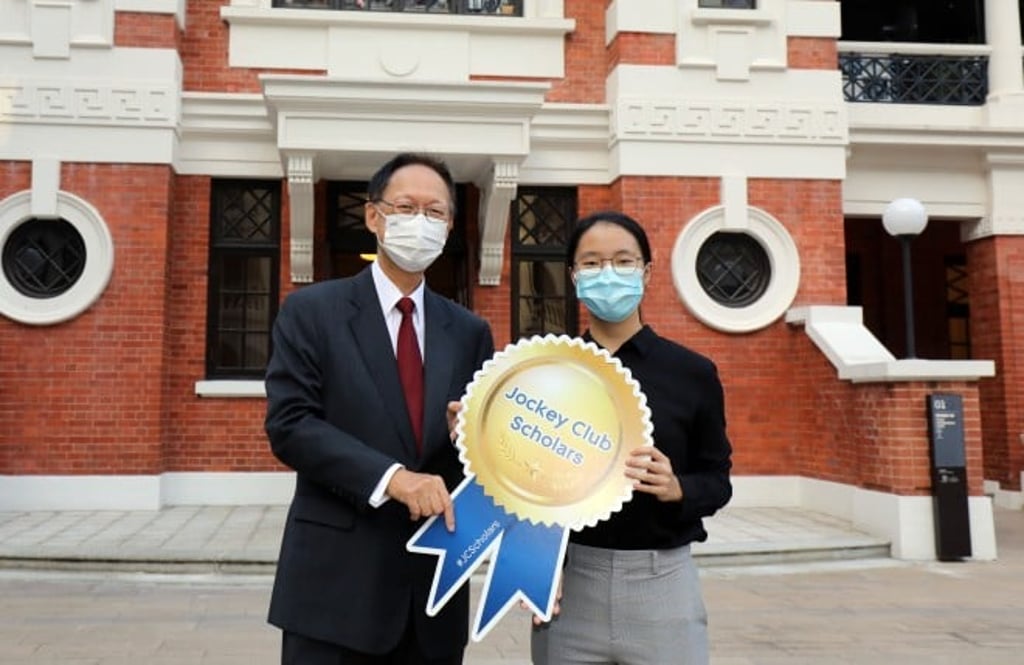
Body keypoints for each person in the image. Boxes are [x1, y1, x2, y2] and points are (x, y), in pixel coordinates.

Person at [264, 153, 495, 665]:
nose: (421, 222)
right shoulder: (311, 312)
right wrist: (392, 478)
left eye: (435, 212)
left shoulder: (469, 331)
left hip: (432, 594)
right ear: (374, 217)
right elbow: (291, 425)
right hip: (334, 590)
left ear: (451, 225)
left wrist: (471, 440)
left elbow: (470, 463)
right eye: (406, 206)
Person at [530, 210, 733, 665]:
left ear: (646, 271)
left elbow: (718, 479)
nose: (608, 274)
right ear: (574, 275)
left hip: (662, 584)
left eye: (623, 261)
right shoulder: (551, 373)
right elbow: (526, 483)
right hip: (570, 587)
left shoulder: (693, 373)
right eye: (592, 262)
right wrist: (532, 565)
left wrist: (678, 486)